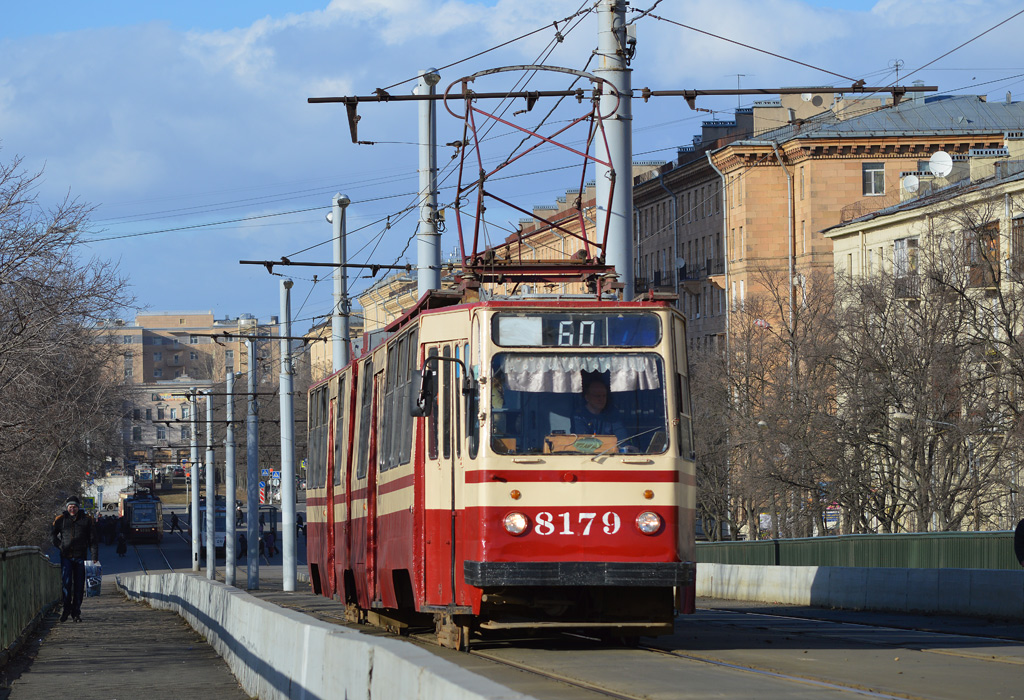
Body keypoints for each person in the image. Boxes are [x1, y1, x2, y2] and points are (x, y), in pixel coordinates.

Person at [51, 496, 99, 622]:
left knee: (79, 585)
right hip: (66, 557)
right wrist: (60, 546)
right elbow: (53, 535)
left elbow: (93, 540)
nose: (72, 509)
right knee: (66, 584)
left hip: (80, 557)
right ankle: (66, 609)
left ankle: (76, 612)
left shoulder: (87, 520)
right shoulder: (61, 520)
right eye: (70, 507)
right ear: (67, 508)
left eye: (75, 507)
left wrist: (94, 557)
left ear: (78, 507)